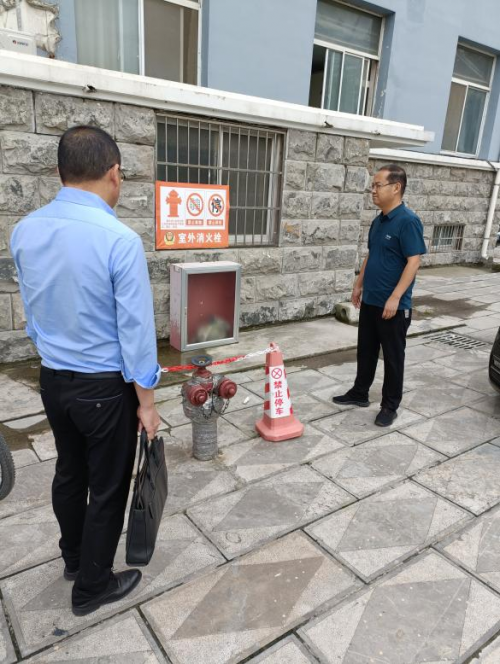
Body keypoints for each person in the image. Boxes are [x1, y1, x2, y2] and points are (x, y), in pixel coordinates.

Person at [10, 126, 161, 616]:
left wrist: (52, 351)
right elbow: (136, 331)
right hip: (103, 389)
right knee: (108, 485)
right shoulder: (119, 239)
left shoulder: (24, 230)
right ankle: (93, 586)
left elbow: (33, 310)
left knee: (70, 472)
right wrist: (147, 402)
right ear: (114, 173)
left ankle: (74, 559)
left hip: (53, 380)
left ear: (61, 172)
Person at [333, 164, 427, 427]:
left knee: (393, 358)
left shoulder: (408, 221)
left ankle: (389, 405)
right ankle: (359, 392)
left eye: (378, 185)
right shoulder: (378, 221)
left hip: (393, 306)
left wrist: (395, 297)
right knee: (366, 351)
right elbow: (371, 254)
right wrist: (358, 284)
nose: (372, 190)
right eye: (372, 186)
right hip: (371, 300)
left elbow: (414, 261)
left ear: (396, 187)